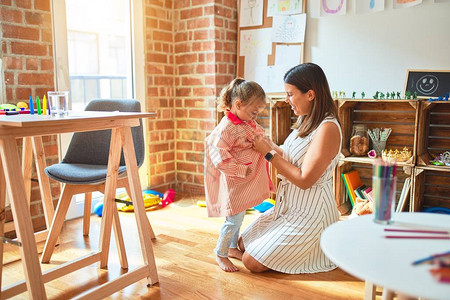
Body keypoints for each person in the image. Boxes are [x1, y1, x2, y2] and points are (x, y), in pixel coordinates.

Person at [238, 63, 342, 274]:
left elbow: (304, 179)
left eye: (290, 94)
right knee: (242, 243)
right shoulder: (306, 119)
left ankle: (318, 245)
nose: (287, 100)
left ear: (310, 94)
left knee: (250, 261)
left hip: (311, 215)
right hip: (289, 209)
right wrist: (267, 143)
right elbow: (291, 155)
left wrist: (268, 153)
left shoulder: (328, 128)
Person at [204, 78, 274, 272]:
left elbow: (257, 134)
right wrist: (241, 170)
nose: (255, 117)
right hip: (236, 181)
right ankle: (221, 252)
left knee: (240, 215)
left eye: (257, 113)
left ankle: (233, 247)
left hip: (244, 182)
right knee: (233, 219)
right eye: (253, 112)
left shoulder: (245, 122)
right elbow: (218, 156)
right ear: (237, 104)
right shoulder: (227, 127)